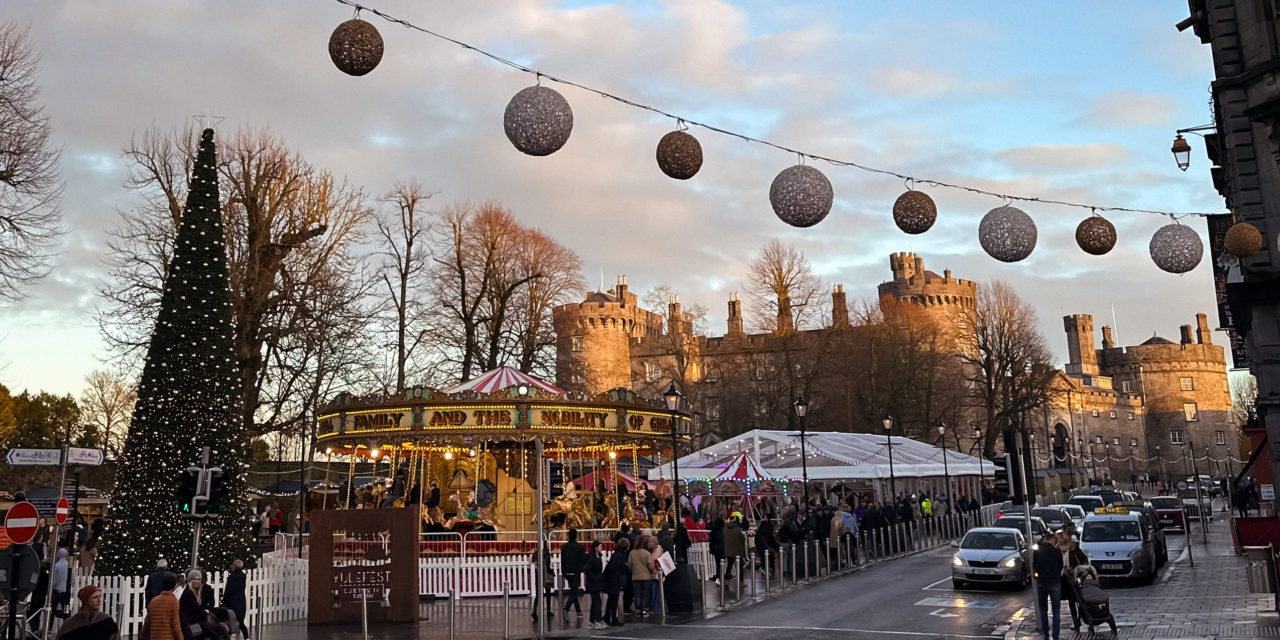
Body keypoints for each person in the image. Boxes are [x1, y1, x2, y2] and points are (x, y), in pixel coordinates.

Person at [1033, 532, 1064, 640]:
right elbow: (1061, 566)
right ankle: (1055, 636)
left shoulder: (1038, 552)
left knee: (1043, 610)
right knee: (1056, 611)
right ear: (1052, 541)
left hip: (1042, 582)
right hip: (1055, 582)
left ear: (1045, 540)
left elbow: (1034, 565)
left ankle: (1045, 634)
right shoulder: (1057, 552)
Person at [1056, 531, 1088, 632]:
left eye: (1059, 538)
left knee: (1077, 600)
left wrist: (1079, 570)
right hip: (1062, 578)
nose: (1058, 541)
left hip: (1074, 577)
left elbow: (1084, 559)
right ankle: (1076, 622)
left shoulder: (1074, 547)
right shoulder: (1056, 549)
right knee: (1070, 601)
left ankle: (1080, 619)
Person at [144, 572, 184, 640]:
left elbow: (147, 623)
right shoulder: (174, 602)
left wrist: (142, 636)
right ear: (174, 585)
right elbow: (176, 625)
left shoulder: (153, 601)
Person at [560, 528, 586, 620]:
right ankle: (566, 609)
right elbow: (583, 559)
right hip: (576, 572)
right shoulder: (579, 547)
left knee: (573, 590)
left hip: (567, 572)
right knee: (574, 592)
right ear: (576, 536)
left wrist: (563, 572)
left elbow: (562, 561)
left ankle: (578, 611)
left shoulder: (564, 547)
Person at [603, 537, 629, 627]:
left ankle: (608, 616)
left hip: (612, 579)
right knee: (614, 599)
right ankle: (613, 618)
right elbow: (613, 567)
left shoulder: (616, 554)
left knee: (612, 599)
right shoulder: (619, 556)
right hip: (614, 580)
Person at [627, 535, 655, 616]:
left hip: (635, 576)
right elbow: (651, 566)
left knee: (637, 594)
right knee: (645, 594)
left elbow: (629, 565)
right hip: (646, 576)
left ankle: (638, 609)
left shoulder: (632, 553)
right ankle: (644, 609)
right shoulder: (647, 553)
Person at [221, 560, 249, 640]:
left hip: (232, 602)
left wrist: (224, 601)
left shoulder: (232, 577)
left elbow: (228, 590)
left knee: (229, 621)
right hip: (241, 601)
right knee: (240, 621)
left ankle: (227, 637)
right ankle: (246, 637)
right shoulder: (243, 576)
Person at [584, 541, 605, 630]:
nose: (601, 548)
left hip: (597, 581)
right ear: (596, 547)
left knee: (595, 602)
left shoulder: (598, 556)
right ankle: (598, 620)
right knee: (597, 602)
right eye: (600, 546)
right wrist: (593, 578)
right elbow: (587, 569)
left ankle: (591, 621)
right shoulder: (591, 557)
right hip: (593, 582)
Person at [722, 512, 748, 583]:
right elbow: (743, 539)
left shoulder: (725, 529)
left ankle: (726, 581)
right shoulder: (737, 529)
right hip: (737, 551)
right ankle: (741, 582)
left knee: (729, 566)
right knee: (740, 567)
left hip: (728, 550)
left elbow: (723, 537)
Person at [52, 548, 70, 618]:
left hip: (57, 591)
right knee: (66, 611)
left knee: (53, 610)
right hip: (65, 592)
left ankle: (50, 626)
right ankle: (67, 626)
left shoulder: (56, 565)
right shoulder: (68, 565)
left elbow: (54, 580)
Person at [708, 516, 725, 584]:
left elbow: (711, 540)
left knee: (717, 563)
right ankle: (722, 576)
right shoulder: (724, 530)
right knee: (723, 563)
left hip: (716, 549)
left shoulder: (714, 530)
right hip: (723, 549)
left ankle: (718, 576)